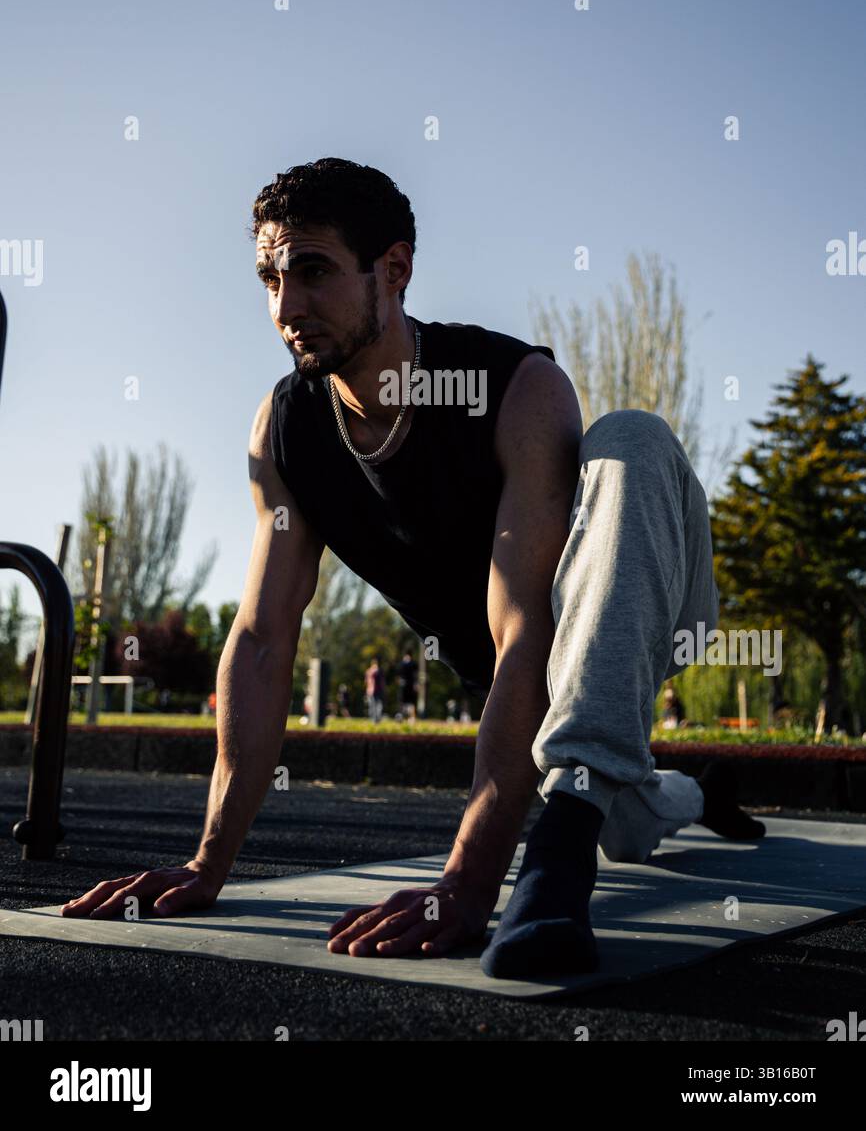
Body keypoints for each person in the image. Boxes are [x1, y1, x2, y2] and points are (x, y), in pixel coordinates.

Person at [61, 158, 764, 980]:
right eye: (269, 277)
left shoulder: (515, 389)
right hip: (557, 705)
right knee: (630, 812)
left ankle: (560, 850)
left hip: (643, 605)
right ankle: (682, 794)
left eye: (313, 271)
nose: (287, 308)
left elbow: (528, 628)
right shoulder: (286, 431)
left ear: (393, 270)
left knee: (632, 437)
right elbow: (259, 640)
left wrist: (466, 882)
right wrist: (205, 865)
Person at [396, 650, 419, 721]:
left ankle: (411, 718)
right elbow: (398, 675)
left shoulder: (413, 664)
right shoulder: (402, 664)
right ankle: (402, 716)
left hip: (410, 686)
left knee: (411, 703)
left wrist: (416, 684)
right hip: (404, 686)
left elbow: (416, 675)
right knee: (402, 702)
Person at [364, 657, 384, 724]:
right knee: (377, 705)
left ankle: (374, 720)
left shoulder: (368, 671)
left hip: (371, 691)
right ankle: (376, 720)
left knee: (373, 706)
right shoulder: (378, 671)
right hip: (376, 690)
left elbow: (366, 682)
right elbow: (382, 682)